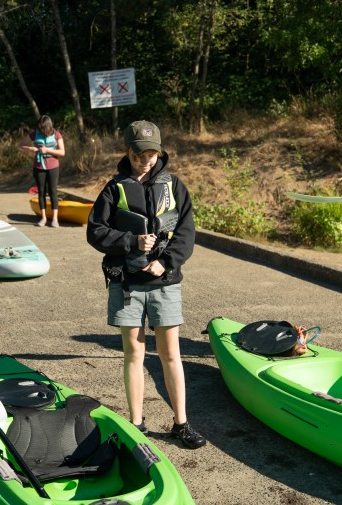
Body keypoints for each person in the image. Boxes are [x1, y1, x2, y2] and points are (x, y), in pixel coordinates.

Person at [86, 120, 206, 449]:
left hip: (165, 281)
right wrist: (131, 242)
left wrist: (164, 262)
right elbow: (95, 232)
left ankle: (181, 423)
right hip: (126, 283)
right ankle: (137, 423)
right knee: (134, 354)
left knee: (170, 354)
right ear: (128, 152)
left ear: (159, 151)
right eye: (140, 154)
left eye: (152, 153)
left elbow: (186, 233)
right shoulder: (114, 188)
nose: (146, 160)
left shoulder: (175, 186)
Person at [19, 115, 66, 227]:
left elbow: (62, 152)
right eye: (39, 127)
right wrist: (30, 149)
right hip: (39, 167)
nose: (40, 130)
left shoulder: (57, 134)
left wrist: (47, 151)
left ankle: (55, 218)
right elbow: (20, 146)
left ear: (48, 126)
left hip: (53, 167)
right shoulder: (34, 134)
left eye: (42, 127)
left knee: (53, 191)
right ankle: (43, 218)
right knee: (41, 192)